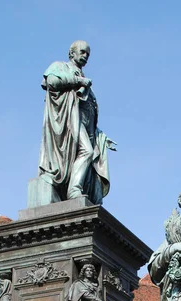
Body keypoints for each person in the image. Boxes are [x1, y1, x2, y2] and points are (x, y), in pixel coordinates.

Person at [39, 40, 116, 204]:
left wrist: (100, 136)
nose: (85, 56)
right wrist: (78, 82)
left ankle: (78, 190)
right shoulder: (60, 67)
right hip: (70, 122)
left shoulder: (84, 78)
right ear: (71, 53)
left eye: (88, 53)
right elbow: (51, 82)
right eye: (82, 52)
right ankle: (74, 189)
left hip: (87, 127)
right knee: (87, 151)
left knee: (90, 157)